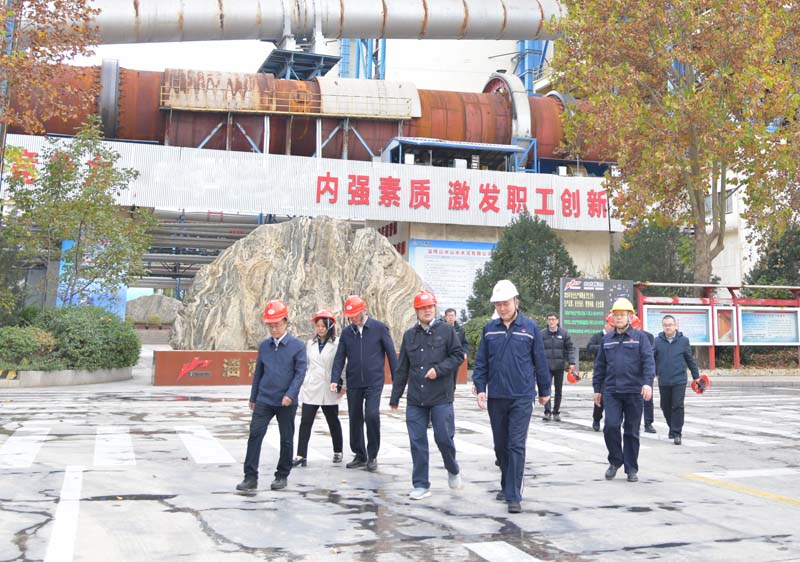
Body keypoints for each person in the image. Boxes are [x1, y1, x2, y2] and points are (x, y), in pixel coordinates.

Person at [472, 279, 551, 514]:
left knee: (516, 444)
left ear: (516, 301)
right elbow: (481, 362)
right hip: (497, 396)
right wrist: (480, 387)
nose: (502, 308)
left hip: (522, 395)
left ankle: (514, 494)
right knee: (500, 446)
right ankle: (507, 483)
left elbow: (540, 361)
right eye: (498, 305)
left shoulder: (530, 328)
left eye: (505, 303)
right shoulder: (490, 329)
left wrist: (544, 391)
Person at [390, 291, 464, 499]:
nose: (427, 310)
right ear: (416, 311)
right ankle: (421, 484)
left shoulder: (447, 330)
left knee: (443, 438)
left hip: (441, 396)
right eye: (423, 308)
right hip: (416, 398)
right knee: (417, 441)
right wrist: (395, 397)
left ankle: (452, 468)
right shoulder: (409, 335)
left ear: (435, 308)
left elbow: (458, 356)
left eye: (430, 306)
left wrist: (439, 370)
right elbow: (402, 368)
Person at [237, 299, 307, 493]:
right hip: (265, 399)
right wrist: (253, 397)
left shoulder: (297, 346)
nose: (274, 329)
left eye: (277, 325)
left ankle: (282, 475)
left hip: (286, 401)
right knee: (255, 435)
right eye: (270, 325)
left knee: (286, 439)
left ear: (285, 322)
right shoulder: (264, 346)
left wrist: (290, 395)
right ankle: (250, 477)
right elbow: (258, 373)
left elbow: (300, 373)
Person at [330, 294, 398, 472]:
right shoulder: (347, 333)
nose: (352, 318)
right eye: (350, 316)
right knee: (355, 417)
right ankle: (360, 455)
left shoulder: (379, 328)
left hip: (374, 381)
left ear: (363, 310)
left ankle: (372, 455)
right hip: (354, 381)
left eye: (355, 314)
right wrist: (335, 379)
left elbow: (391, 354)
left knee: (371, 415)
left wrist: (397, 379)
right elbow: (339, 357)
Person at [593, 297, 655, 483]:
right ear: (611, 317)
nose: (619, 318)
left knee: (631, 431)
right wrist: (597, 389)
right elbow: (600, 366)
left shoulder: (640, 338)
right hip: (612, 391)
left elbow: (648, 362)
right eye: (616, 315)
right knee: (610, 426)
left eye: (622, 314)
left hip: (634, 391)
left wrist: (647, 383)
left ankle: (631, 468)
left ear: (630, 316)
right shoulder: (607, 340)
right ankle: (615, 461)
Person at [292, 309, 344, 467]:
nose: (320, 329)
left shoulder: (338, 343)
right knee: (305, 421)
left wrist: (343, 385)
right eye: (318, 326)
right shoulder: (310, 343)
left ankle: (338, 451)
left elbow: (342, 364)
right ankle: (301, 455)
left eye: (323, 326)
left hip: (329, 386)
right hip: (312, 386)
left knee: (332, 421)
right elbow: (306, 364)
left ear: (330, 326)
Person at [653, 314, 700, 445]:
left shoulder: (683, 341)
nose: (668, 327)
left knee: (677, 405)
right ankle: (672, 427)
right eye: (665, 325)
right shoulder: (657, 341)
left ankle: (677, 432)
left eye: (670, 325)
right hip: (664, 379)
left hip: (679, 379)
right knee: (665, 406)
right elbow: (651, 358)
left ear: (675, 326)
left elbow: (689, 359)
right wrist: (649, 374)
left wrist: (696, 377)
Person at [541, 312, 576, 422]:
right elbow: (537, 350)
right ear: (547, 321)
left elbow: (570, 349)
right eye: (549, 319)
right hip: (546, 367)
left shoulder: (564, 334)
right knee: (546, 389)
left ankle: (556, 412)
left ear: (557, 321)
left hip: (559, 366)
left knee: (558, 390)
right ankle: (547, 412)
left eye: (553, 319)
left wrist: (572, 363)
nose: (551, 321)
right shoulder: (542, 334)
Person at [587, 315, 614, 431]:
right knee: (600, 397)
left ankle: (611, 421)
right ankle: (596, 419)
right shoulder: (598, 336)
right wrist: (604, 347)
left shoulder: (616, 337)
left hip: (613, 371)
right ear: (606, 324)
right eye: (611, 325)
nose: (612, 328)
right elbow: (589, 348)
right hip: (601, 371)